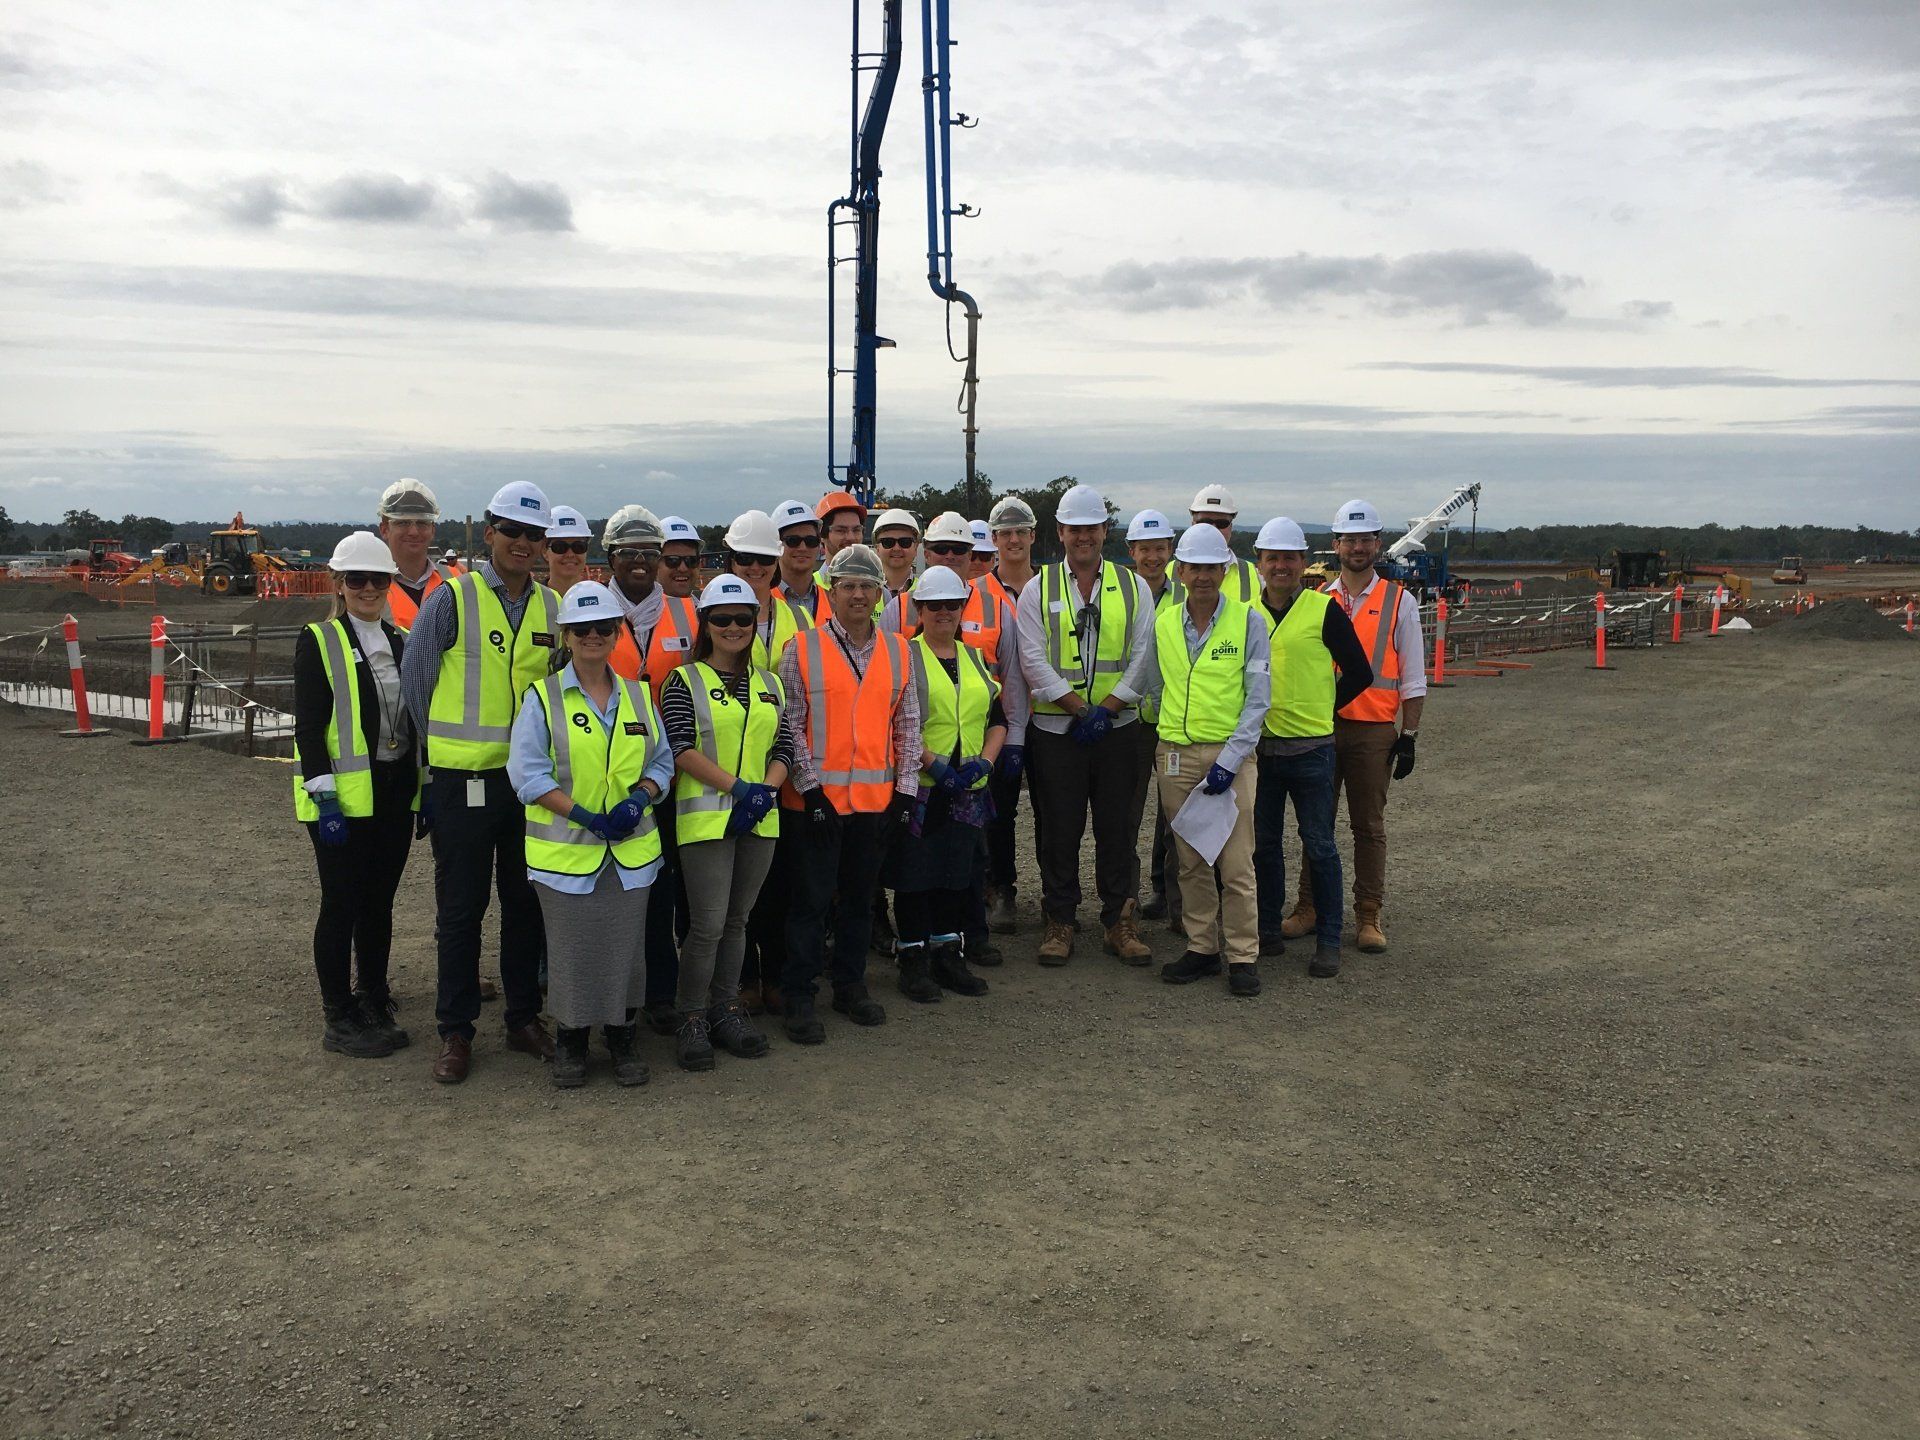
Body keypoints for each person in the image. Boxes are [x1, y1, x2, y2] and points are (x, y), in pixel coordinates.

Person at [401, 481, 563, 1083]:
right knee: (461, 909)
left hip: (527, 788)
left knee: (525, 906)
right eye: (512, 532)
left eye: (534, 535)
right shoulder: (453, 600)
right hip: (463, 783)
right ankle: (455, 1030)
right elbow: (415, 684)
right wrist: (434, 767)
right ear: (489, 532)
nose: (523, 544)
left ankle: (523, 1018)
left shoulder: (552, 609)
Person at [509, 581, 673, 1087]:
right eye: (582, 629)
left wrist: (642, 795)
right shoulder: (543, 698)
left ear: (618, 631)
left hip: (631, 854)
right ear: (566, 635)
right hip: (568, 854)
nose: (594, 636)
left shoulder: (639, 695)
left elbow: (662, 762)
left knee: (627, 948)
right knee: (571, 950)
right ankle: (573, 1041)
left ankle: (622, 1037)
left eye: (604, 627)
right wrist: (584, 815)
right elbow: (527, 775)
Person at [775, 542, 919, 1044]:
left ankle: (850, 985)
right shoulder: (803, 648)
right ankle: (798, 993)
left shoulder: (900, 650)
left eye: (866, 586)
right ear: (830, 593)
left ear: (881, 593)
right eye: (847, 586)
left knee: (860, 900)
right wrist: (810, 794)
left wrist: (904, 794)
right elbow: (790, 724)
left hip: (873, 806)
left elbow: (907, 724)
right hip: (814, 808)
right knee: (810, 903)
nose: (858, 594)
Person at [1015, 483, 1154, 965]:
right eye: (1074, 529)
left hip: (1117, 733)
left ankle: (1120, 919)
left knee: (1118, 827)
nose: (1083, 538)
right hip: (1058, 733)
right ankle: (1060, 921)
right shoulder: (1039, 588)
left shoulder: (1132, 586)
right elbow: (1031, 656)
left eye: (1091, 529)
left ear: (1104, 530)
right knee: (1060, 827)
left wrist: (1109, 708)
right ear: (1060, 532)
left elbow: (1144, 654)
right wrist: (1077, 707)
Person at [293, 531, 421, 1058]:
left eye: (379, 579)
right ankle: (338, 1014)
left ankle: (373, 995)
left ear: (391, 583)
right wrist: (324, 798)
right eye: (358, 579)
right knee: (341, 903)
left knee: (379, 904)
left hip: (391, 793)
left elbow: (412, 720)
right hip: (341, 802)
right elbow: (308, 725)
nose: (369, 588)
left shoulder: (402, 641)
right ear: (339, 584)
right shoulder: (319, 640)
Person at [659, 574, 791, 1068]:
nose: (734, 627)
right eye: (722, 619)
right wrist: (738, 788)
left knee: (738, 921)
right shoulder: (685, 680)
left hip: (759, 820)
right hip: (706, 823)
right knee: (708, 925)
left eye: (743, 618)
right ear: (706, 624)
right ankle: (691, 1015)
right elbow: (679, 745)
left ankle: (725, 1008)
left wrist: (765, 792)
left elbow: (785, 745)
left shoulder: (770, 684)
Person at [1283, 498, 1426, 954]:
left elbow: (1413, 676)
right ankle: (1309, 909)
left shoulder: (1399, 602)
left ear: (1377, 544)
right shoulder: (1317, 602)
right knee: (1316, 824)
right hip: (1321, 727)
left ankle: (1368, 914)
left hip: (1372, 731)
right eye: (1350, 540)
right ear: (1336, 545)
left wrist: (1409, 736)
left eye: (1366, 539)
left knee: (1368, 825)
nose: (1358, 547)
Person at [1149, 525, 1271, 996]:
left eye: (1211, 568)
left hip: (1230, 759)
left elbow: (1257, 699)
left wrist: (1233, 757)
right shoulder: (1164, 623)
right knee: (1191, 861)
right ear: (1181, 572)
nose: (1202, 576)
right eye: (1194, 567)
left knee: (1237, 863)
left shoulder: (1247, 622)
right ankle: (1202, 947)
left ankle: (1243, 956)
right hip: (1176, 757)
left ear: (1225, 570)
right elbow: (1155, 684)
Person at [1251, 517, 1373, 976]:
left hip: (1312, 751)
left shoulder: (1323, 611)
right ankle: (1267, 930)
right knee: (1264, 846)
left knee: (1319, 845)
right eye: (1272, 558)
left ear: (1303, 563)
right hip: (1261, 750)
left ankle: (1328, 940)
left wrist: (1326, 707)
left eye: (1289, 558)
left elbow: (1360, 672)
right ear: (1259, 563)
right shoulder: (1246, 615)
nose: (1281, 566)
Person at [888, 566, 1002, 1003]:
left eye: (951, 605)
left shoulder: (974, 658)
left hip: (967, 787)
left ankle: (948, 953)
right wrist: (932, 763)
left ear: (962, 608)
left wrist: (985, 763)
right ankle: (913, 958)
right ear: (919, 608)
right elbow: (894, 722)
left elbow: (997, 719)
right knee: (916, 874)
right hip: (922, 785)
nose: (943, 612)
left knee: (957, 872)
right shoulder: (904, 656)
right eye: (933, 605)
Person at [601, 504, 692, 1034]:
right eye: (629, 552)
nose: (640, 562)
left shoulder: (690, 614)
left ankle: (661, 992)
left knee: (663, 892)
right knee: (612, 894)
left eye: (649, 553)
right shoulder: (587, 611)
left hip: (676, 779)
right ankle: (615, 994)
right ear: (610, 558)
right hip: (607, 780)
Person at [983, 494, 1038, 935]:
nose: (1014, 540)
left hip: (1052, 718)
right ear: (994, 539)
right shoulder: (977, 592)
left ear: (1033, 536)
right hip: (998, 724)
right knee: (998, 812)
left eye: (1022, 531)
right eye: (1006, 533)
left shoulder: (1054, 587)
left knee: (1055, 812)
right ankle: (1001, 888)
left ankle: (1060, 895)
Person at [1126, 509, 1181, 924]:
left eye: (1159, 548)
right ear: (1132, 551)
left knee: (1174, 818)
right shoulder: (1119, 593)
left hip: (1173, 720)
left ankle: (1173, 900)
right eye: (1145, 549)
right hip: (1128, 720)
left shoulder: (1184, 596)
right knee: (1126, 816)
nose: (1152, 556)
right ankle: (1125, 903)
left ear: (1170, 550)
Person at [376, 478, 461, 630]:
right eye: (403, 522)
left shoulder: (457, 580)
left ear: (433, 530)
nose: (414, 532)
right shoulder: (365, 587)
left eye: (422, 523)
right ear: (384, 529)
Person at [1187, 484, 1259, 603]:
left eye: (1221, 523)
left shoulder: (1256, 576)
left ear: (1231, 527)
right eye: (1205, 522)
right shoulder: (1168, 572)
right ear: (1193, 524)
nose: (1213, 529)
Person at [770, 499, 832, 622]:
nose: (803, 548)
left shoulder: (834, 600)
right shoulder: (761, 600)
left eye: (810, 541)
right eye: (793, 541)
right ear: (775, 545)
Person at [871, 507, 921, 599]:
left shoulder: (926, 590)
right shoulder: (865, 591)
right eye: (888, 542)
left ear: (916, 547)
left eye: (905, 542)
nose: (897, 548)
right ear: (877, 548)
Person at [544, 505, 593, 593]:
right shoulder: (527, 600)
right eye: (560, 547)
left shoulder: (601, 600)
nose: (570, 554)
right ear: (544, 551)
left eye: (578, 547)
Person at [657, 516, 703, 601]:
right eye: (673, 560)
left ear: (699, 565)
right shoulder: (640, 613)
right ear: (654, 564)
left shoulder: (704, 612)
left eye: (690, 560)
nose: (683, 568)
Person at [817, 490, 867, 564]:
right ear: (822, 535)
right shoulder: (810, 576)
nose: (851, 538)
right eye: (841, 530)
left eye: (856, 530)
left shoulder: (876, 575)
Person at [967, 520, 997, 584]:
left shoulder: (1004, 591)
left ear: (993, 561)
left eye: (984, 556)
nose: (977, 562)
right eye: (972, 555)